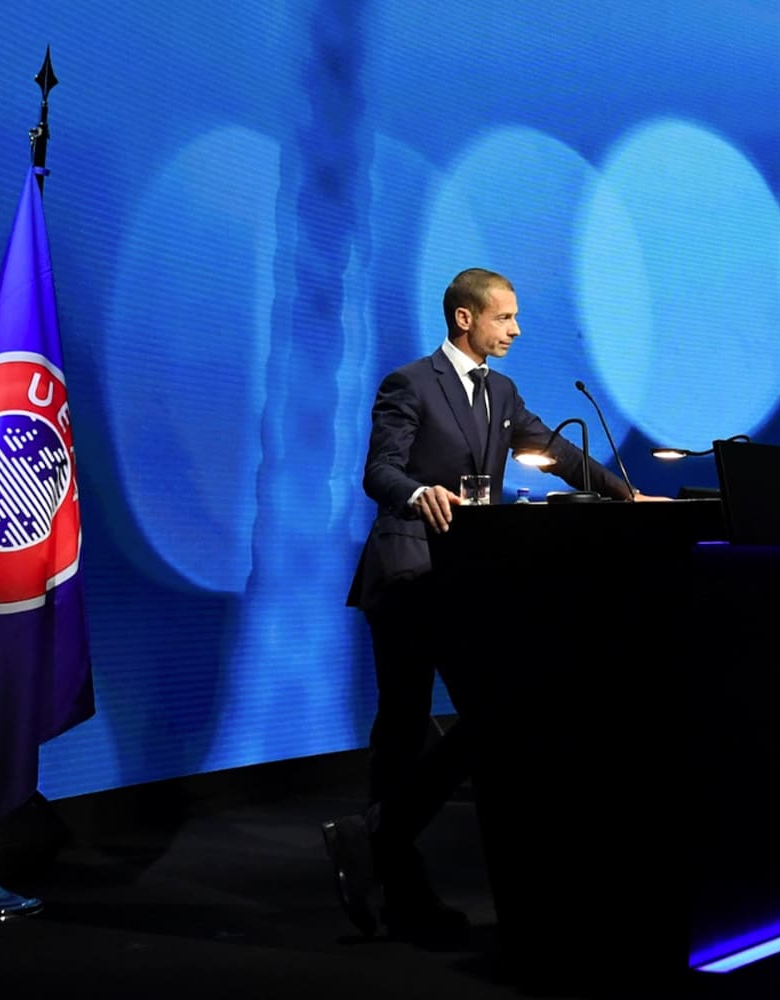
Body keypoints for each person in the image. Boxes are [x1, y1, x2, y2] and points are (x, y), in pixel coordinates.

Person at [324, 268, 663, 940]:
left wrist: (630, 497)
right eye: (504, 318)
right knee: (402, 725)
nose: (515, 330)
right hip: (406, 573)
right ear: (464, 319)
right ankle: (401, 886)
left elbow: (559, 452)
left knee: (495, 715)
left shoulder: (501, 392)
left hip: (464, 580)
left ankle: (372, 839)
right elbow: (379, 469)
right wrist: (418, 493)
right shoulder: (410, 383)